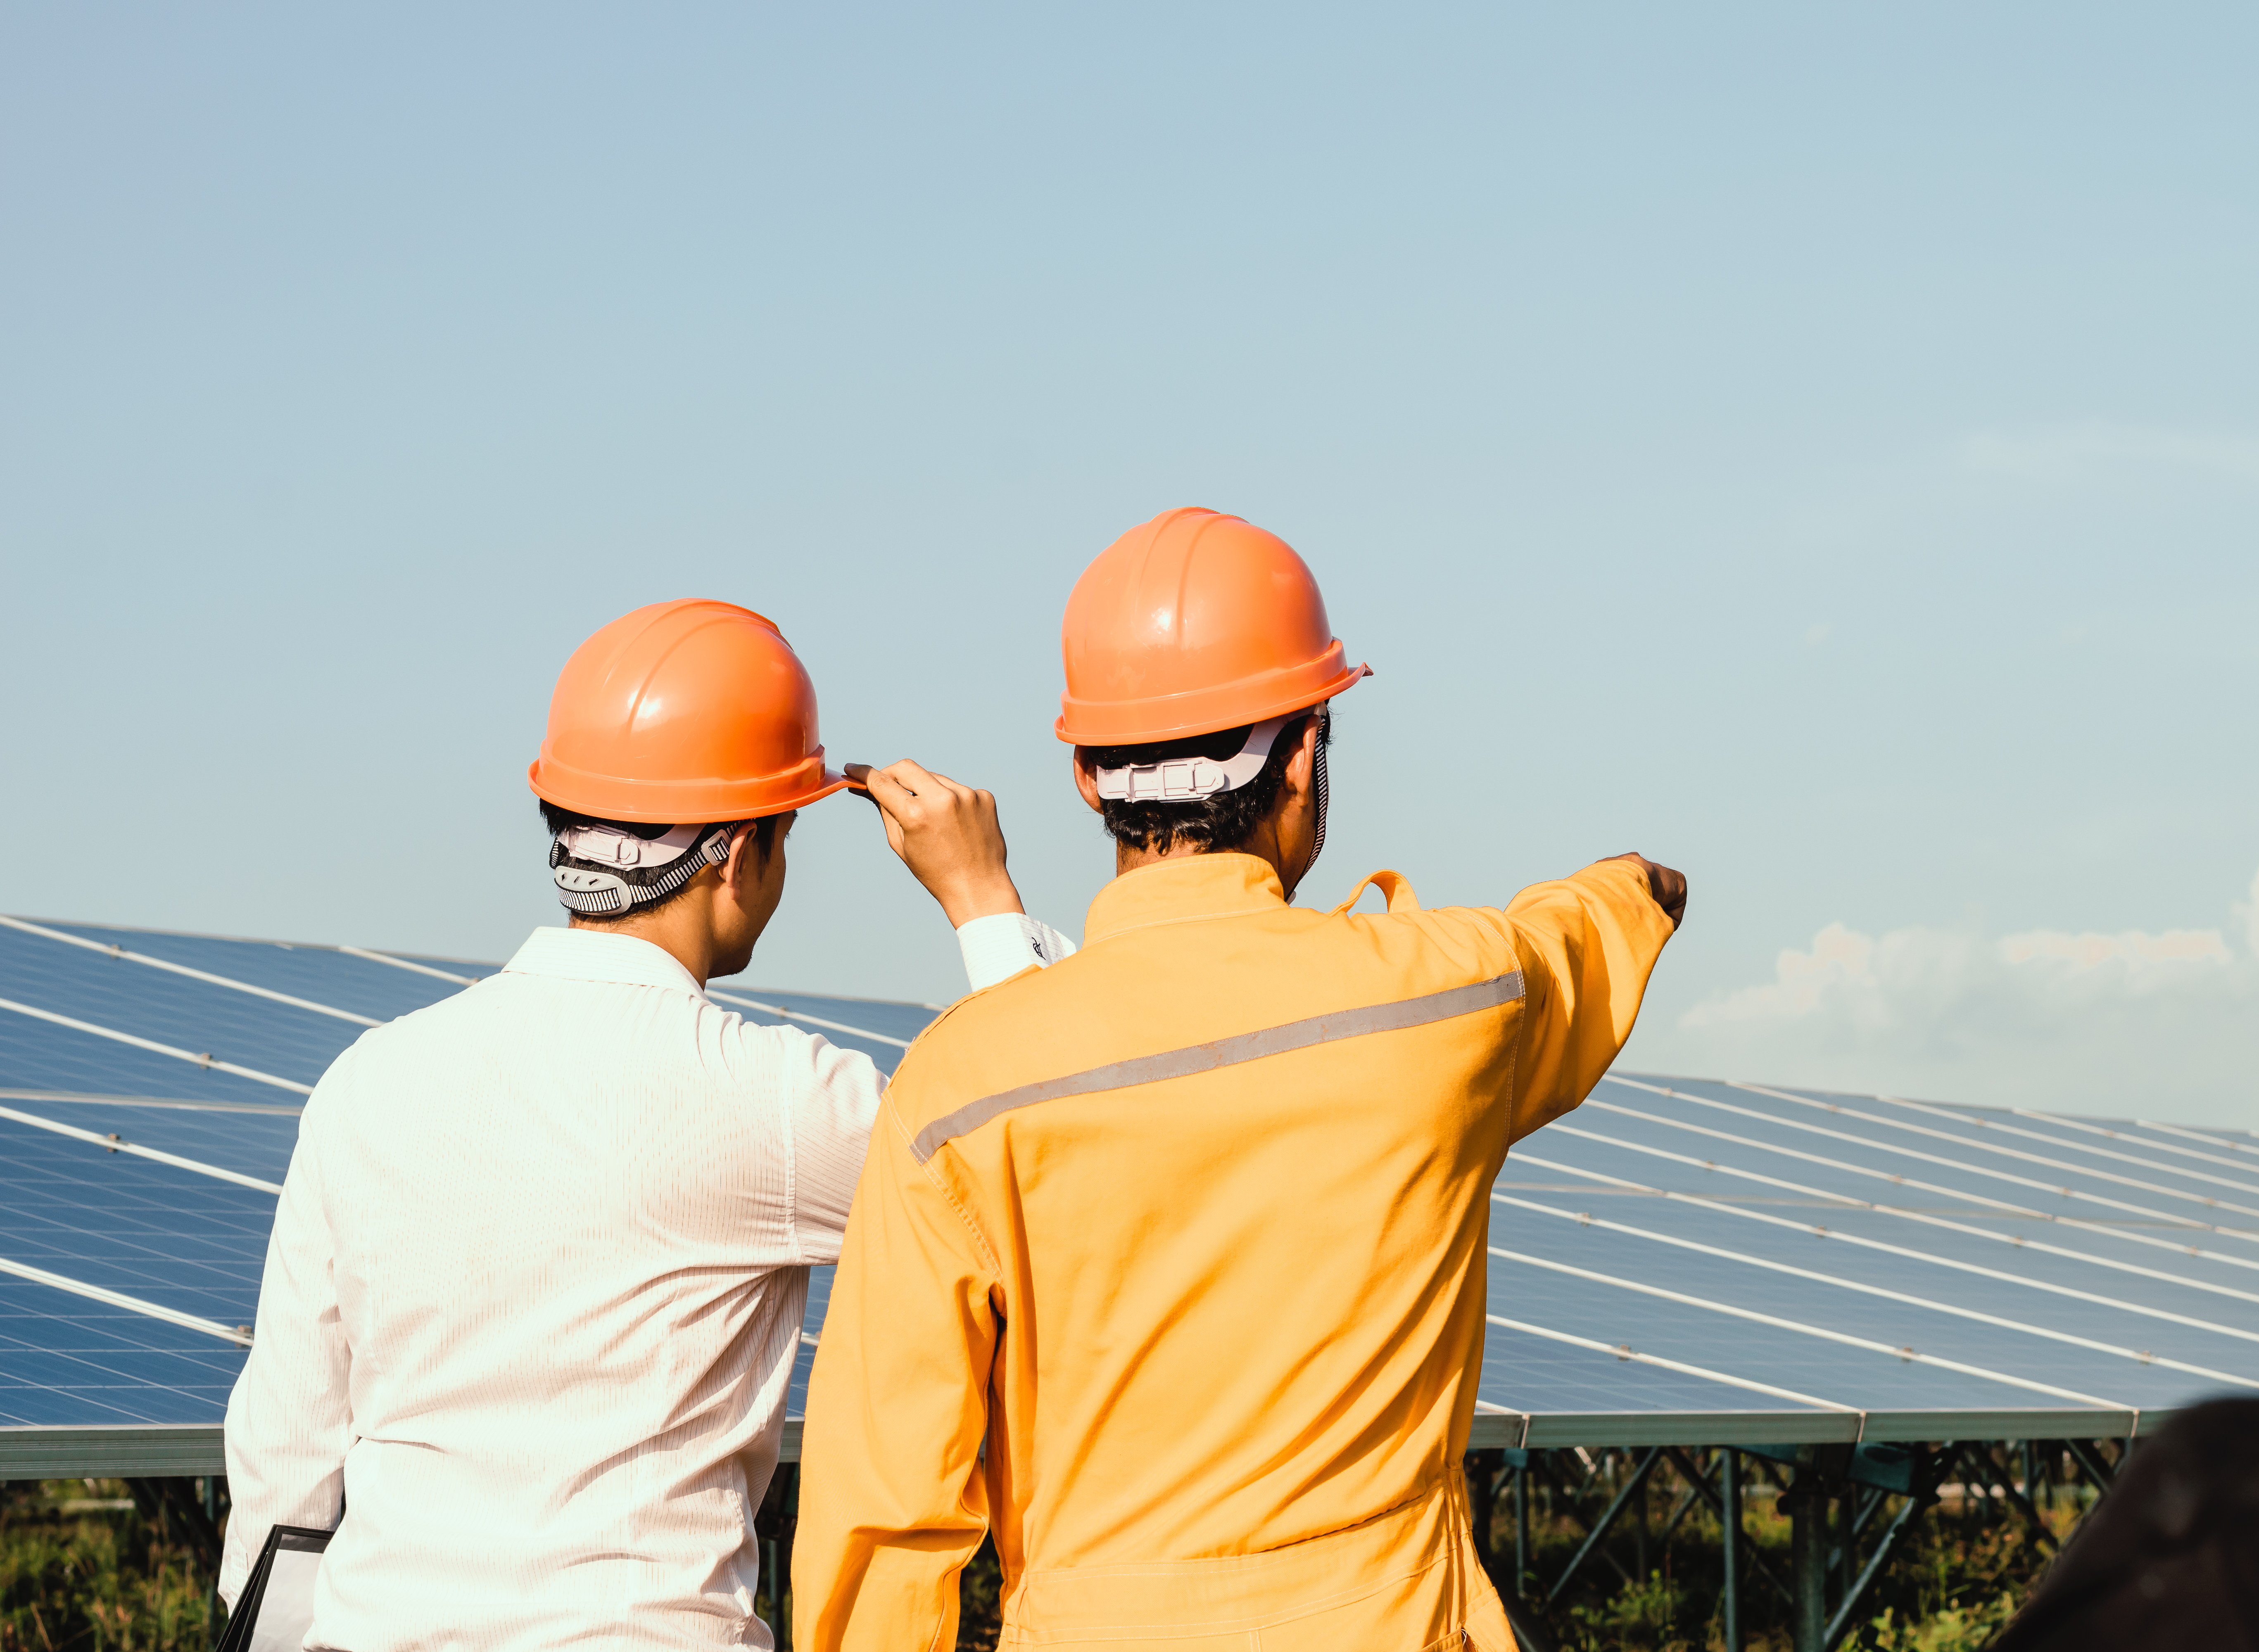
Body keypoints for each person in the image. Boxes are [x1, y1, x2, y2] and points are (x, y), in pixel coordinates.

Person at [791, 509, 1688, 1650]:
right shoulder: (1454, 1000)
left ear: (1084, 776)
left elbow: (884, 1508)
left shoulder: (959, 1087)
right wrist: (1636, 887)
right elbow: (1577, 935)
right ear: (1305, 754)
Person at [219, 598, 1071, 1647]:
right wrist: (984, 899)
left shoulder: (367, 1081)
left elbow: (284, 1455)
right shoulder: (777, 1100)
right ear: (734, 854)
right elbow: (1034, 1154)